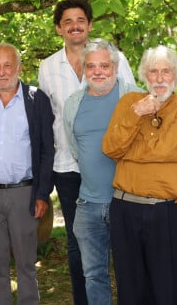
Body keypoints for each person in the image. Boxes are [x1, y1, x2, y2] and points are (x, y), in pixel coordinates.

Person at [38, 0, 134, 305]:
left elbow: (132, 106)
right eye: (68, 22)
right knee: (78, 244)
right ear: (59, 29)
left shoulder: (115, 59)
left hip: (113, 166)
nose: (75, 26)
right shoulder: (48, 67)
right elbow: (49, 118)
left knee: (123, 241)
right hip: (68, 168)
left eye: (80, 20)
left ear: (89, 25)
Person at [102, 45, 177, 304]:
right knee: (130, 291)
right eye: (153, 72)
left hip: (169, 212)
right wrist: (136, 114)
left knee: (168, 291)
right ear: (144, 75)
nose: (159, 78)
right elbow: (110, 148)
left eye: (166, 72)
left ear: (176, 75)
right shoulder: (128, 103)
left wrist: (130, 151)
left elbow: (167, 150)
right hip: (124, 208)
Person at [0, 43, 55, 305]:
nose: (2, 71)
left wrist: (42, 194)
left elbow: (46, 150)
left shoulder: (36, 99)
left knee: (27, 264)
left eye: (8, 65)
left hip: (24, 193)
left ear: (19, 68)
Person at [63, 39, 143, 304]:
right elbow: (75, 148)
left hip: (129, 202)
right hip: (88, 205)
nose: (98, 72)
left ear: (116, 67)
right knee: (93, 275)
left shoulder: (135, 98)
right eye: (91, 66)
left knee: (131, 273)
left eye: (104, 66)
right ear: (84, 69)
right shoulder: (73, 103)